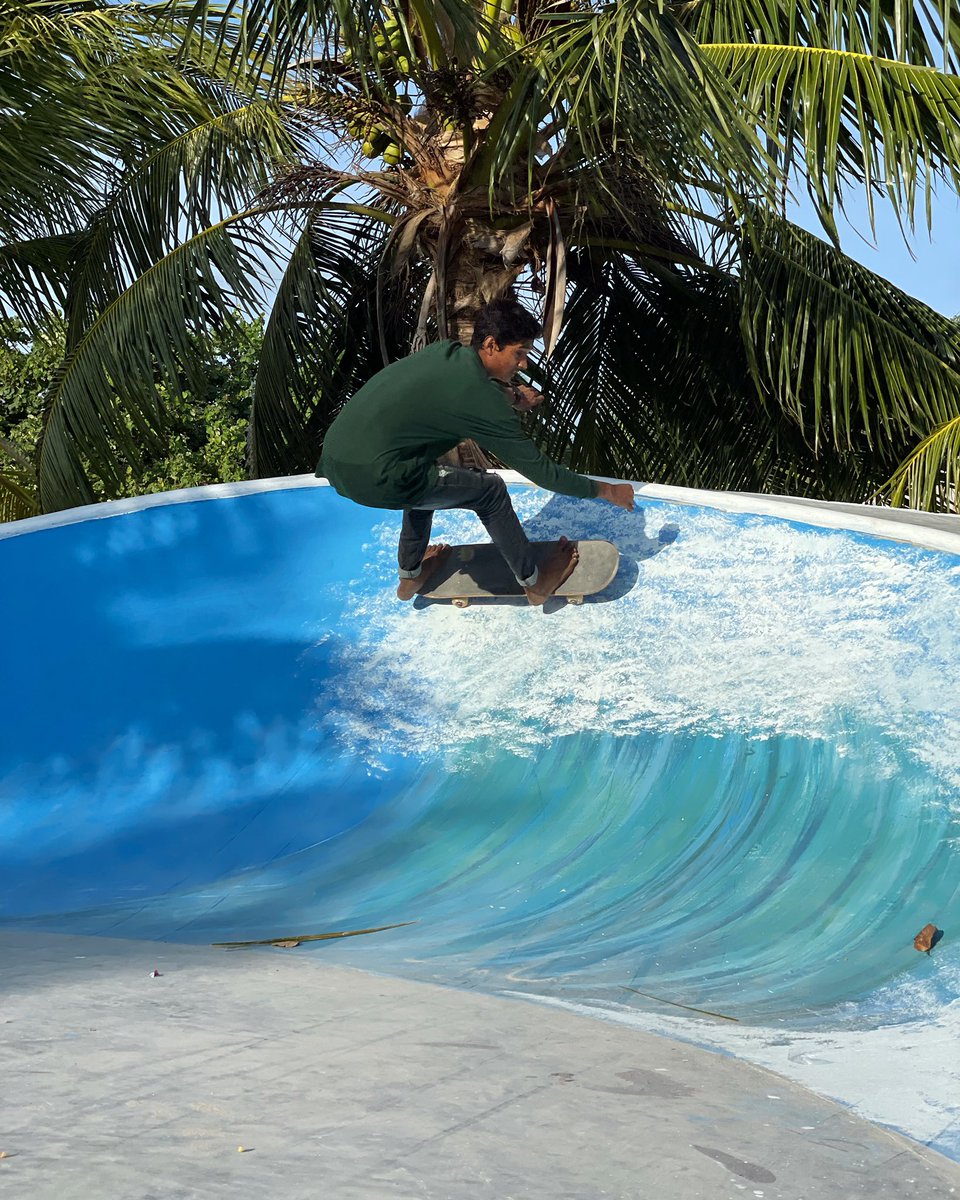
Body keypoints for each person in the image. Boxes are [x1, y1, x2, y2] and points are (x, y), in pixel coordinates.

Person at [318, 297, 636, 605]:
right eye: (519, 353)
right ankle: (536, 584)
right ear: (490, 345)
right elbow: (541, 471)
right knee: (490, 491)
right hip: (377, 477)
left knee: (420, 467)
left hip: (336, 460)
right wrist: (607, 490)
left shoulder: (449, 353)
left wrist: (513, 397)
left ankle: (410, 574)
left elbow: (473, 390)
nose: (524, 364)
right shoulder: (480, 402)